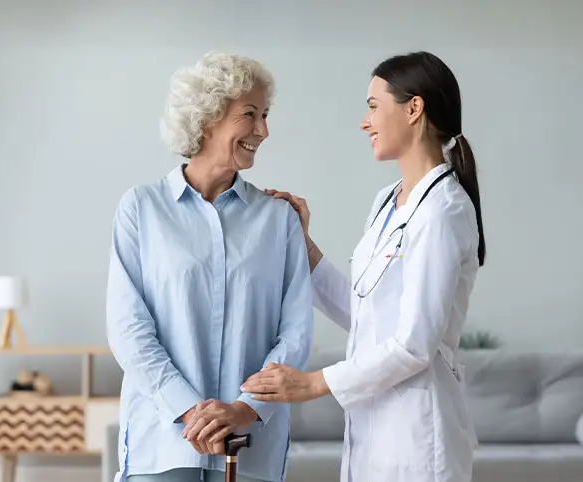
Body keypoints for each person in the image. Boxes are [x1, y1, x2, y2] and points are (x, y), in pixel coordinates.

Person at [241, 51, 485, 482]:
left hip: (418, 437)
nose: (364, 121)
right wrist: (305, 247)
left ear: (414, 108)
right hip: (373, 432)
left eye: (373, 106)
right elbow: (366, 313)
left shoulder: (443, 210)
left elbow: (414, 344)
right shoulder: (387, 201)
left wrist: (314, 384)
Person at [105, 51, 313, 482]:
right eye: (250, 115)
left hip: (250, 451)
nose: (264, 130)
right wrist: (189, 409)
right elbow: (128, 328)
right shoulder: (141, 209)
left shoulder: (279, 218)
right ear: (207, 118)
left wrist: (244, 410)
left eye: (265, 115)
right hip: (164, 445)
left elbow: (295, 334)